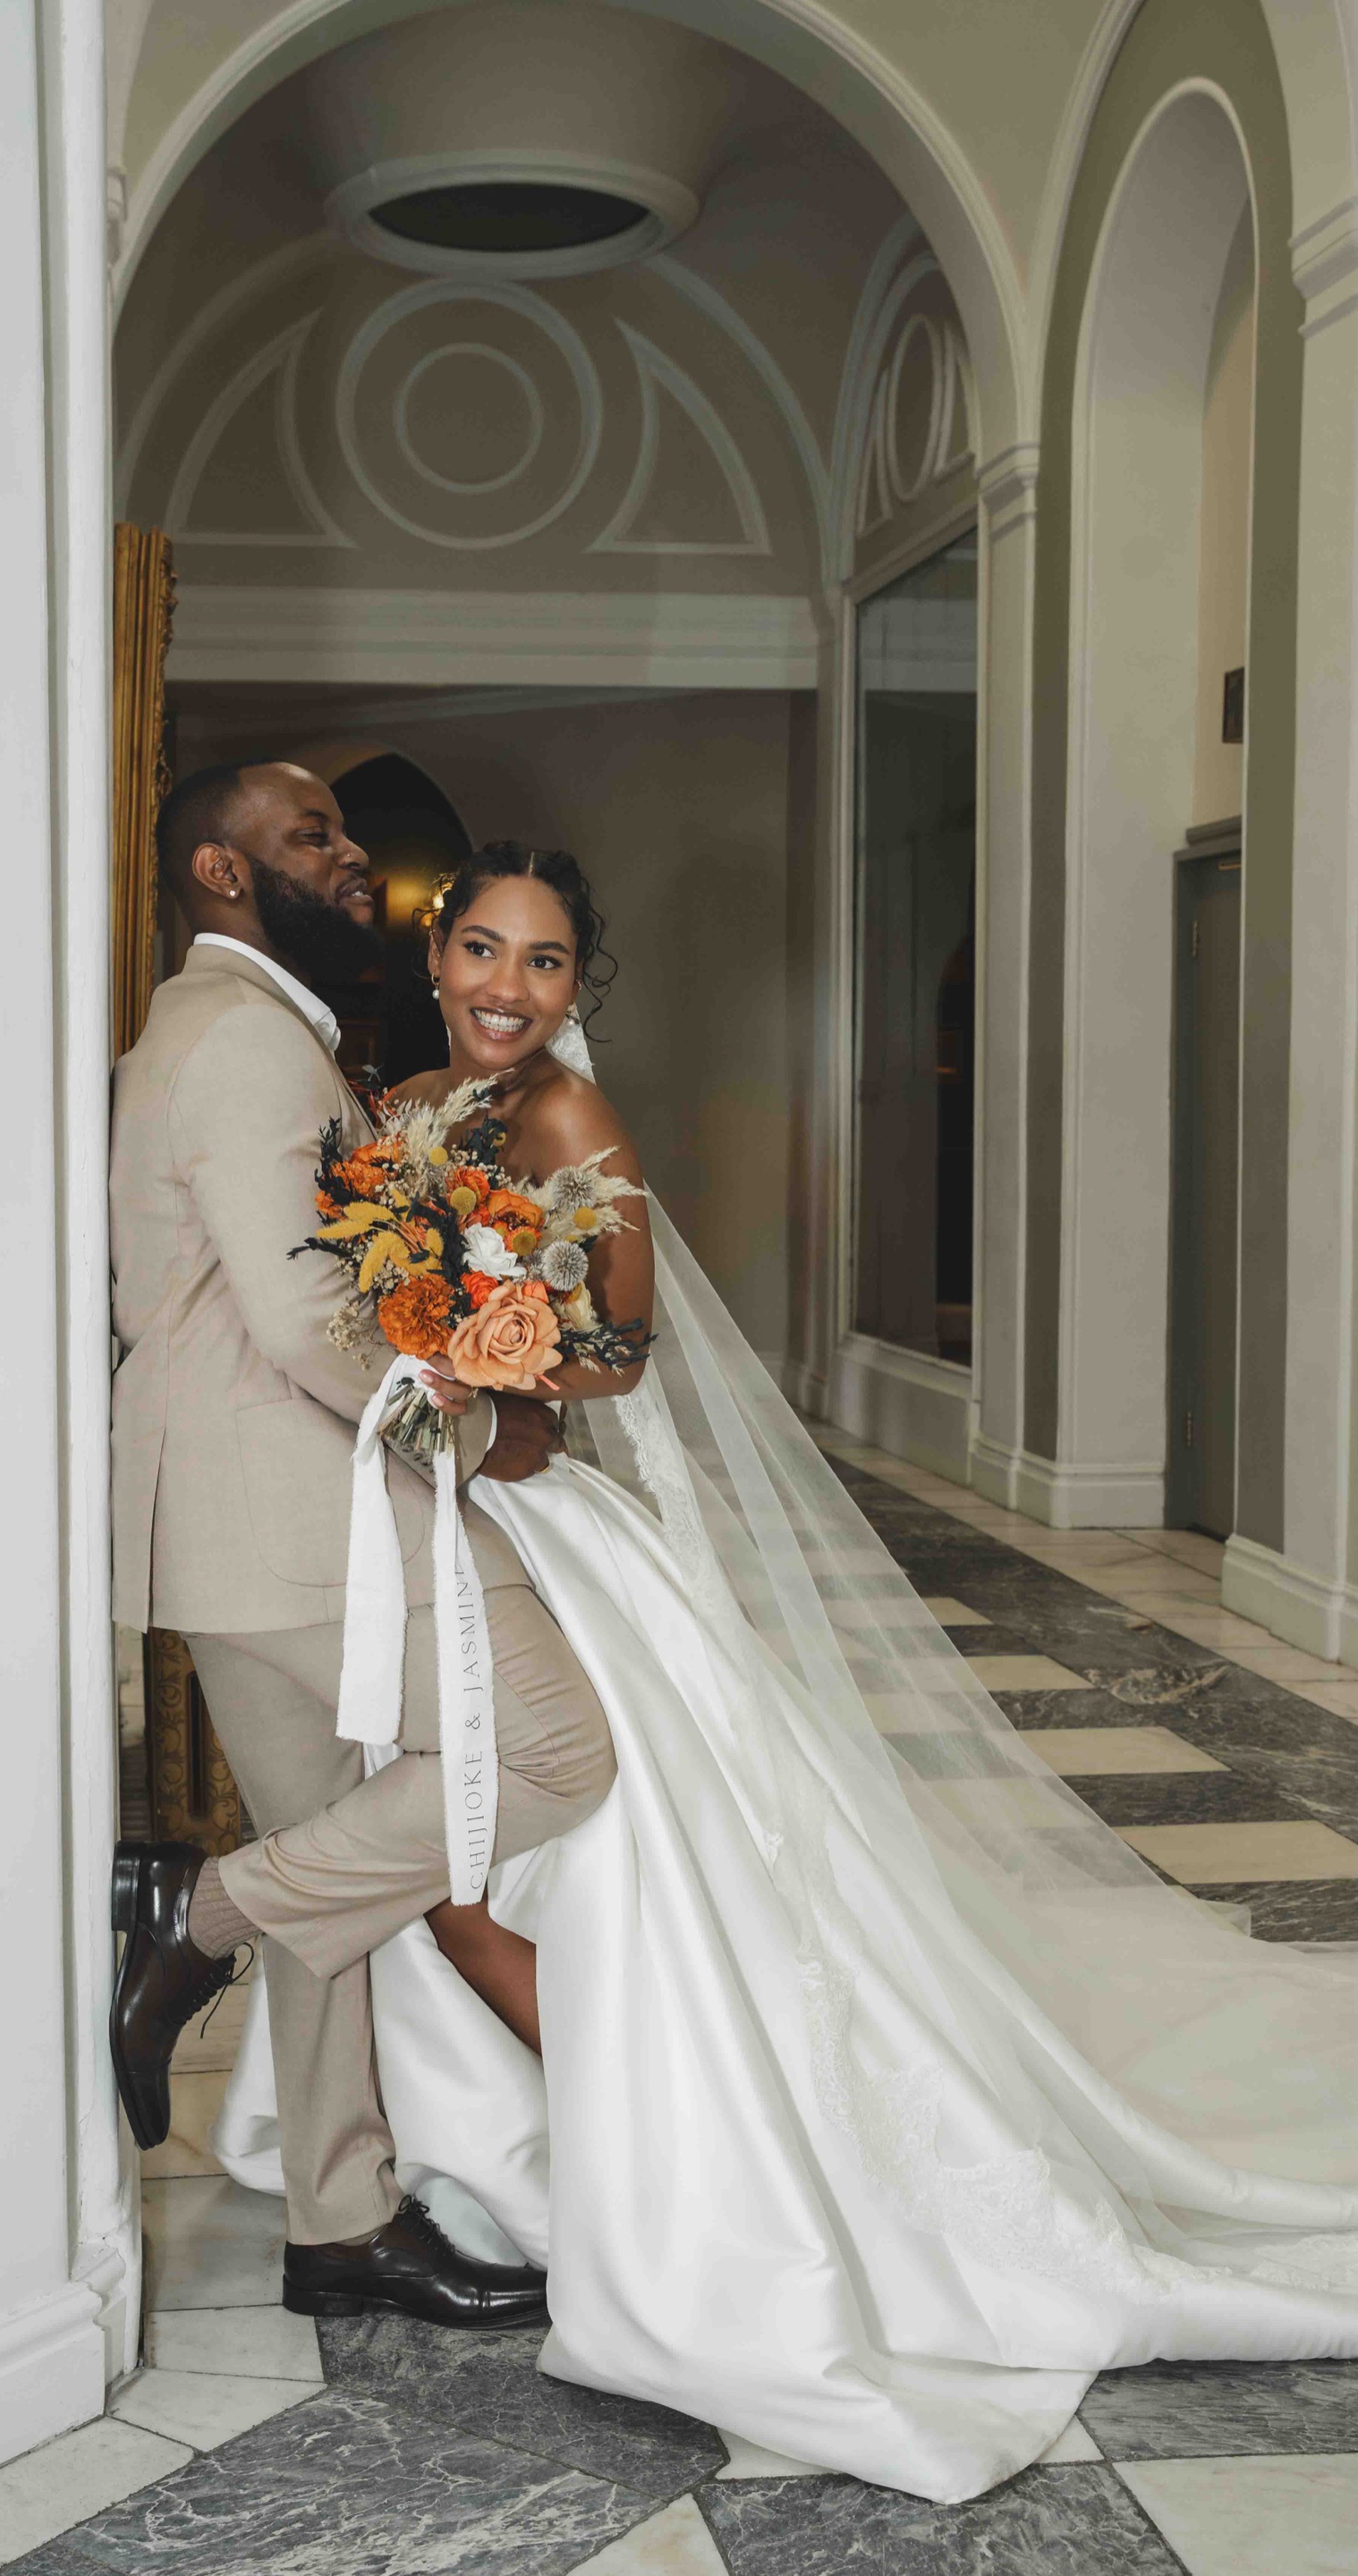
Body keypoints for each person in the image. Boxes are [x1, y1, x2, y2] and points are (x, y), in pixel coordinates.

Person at [212, 836, 1358, 2505]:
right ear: (436, 952)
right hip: (415, 1520)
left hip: (540, 1523)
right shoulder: (387, 1114)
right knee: (460, 1846)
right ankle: (503, 2160)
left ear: (575, 984)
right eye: (480, 950)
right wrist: (425, 1352)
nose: (504, 990)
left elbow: (627, 1341)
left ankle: (678, 2156)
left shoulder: (569, 1124)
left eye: (541, 963)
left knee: (528, 1850)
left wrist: (513, 1370)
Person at [106, 766, 616, 2332]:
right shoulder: (247, 1043)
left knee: (329, 1858)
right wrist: (469, 1434)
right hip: (303, 1514)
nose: (353, 862)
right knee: (555, 1751)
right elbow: (311, 1319)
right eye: (311, 838)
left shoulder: (227, 1032)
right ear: (221, 869)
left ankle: (340, 2222)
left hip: (234, 1521)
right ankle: (189, 1920)